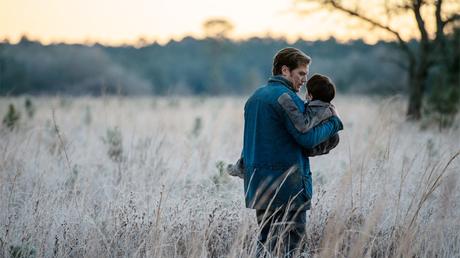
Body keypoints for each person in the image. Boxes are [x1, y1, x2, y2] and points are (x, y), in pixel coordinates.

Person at [238, 47, 343, 256]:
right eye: (301, 73)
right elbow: (307, 138)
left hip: (259, 186)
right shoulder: (287, 97)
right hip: (288, 186)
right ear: (285, 70)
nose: (305, 79)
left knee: (267, 245)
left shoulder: (254, 98)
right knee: (292, 248)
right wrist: (334, 122)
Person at [227, 73, 340, 179]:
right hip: (317, 144)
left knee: (263, 135)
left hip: (310, 145)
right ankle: (242, 165)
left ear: (310, 96)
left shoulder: (317, 110)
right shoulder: (326, 108)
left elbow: (305, 126)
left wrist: (286, 102)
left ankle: (242, 165)